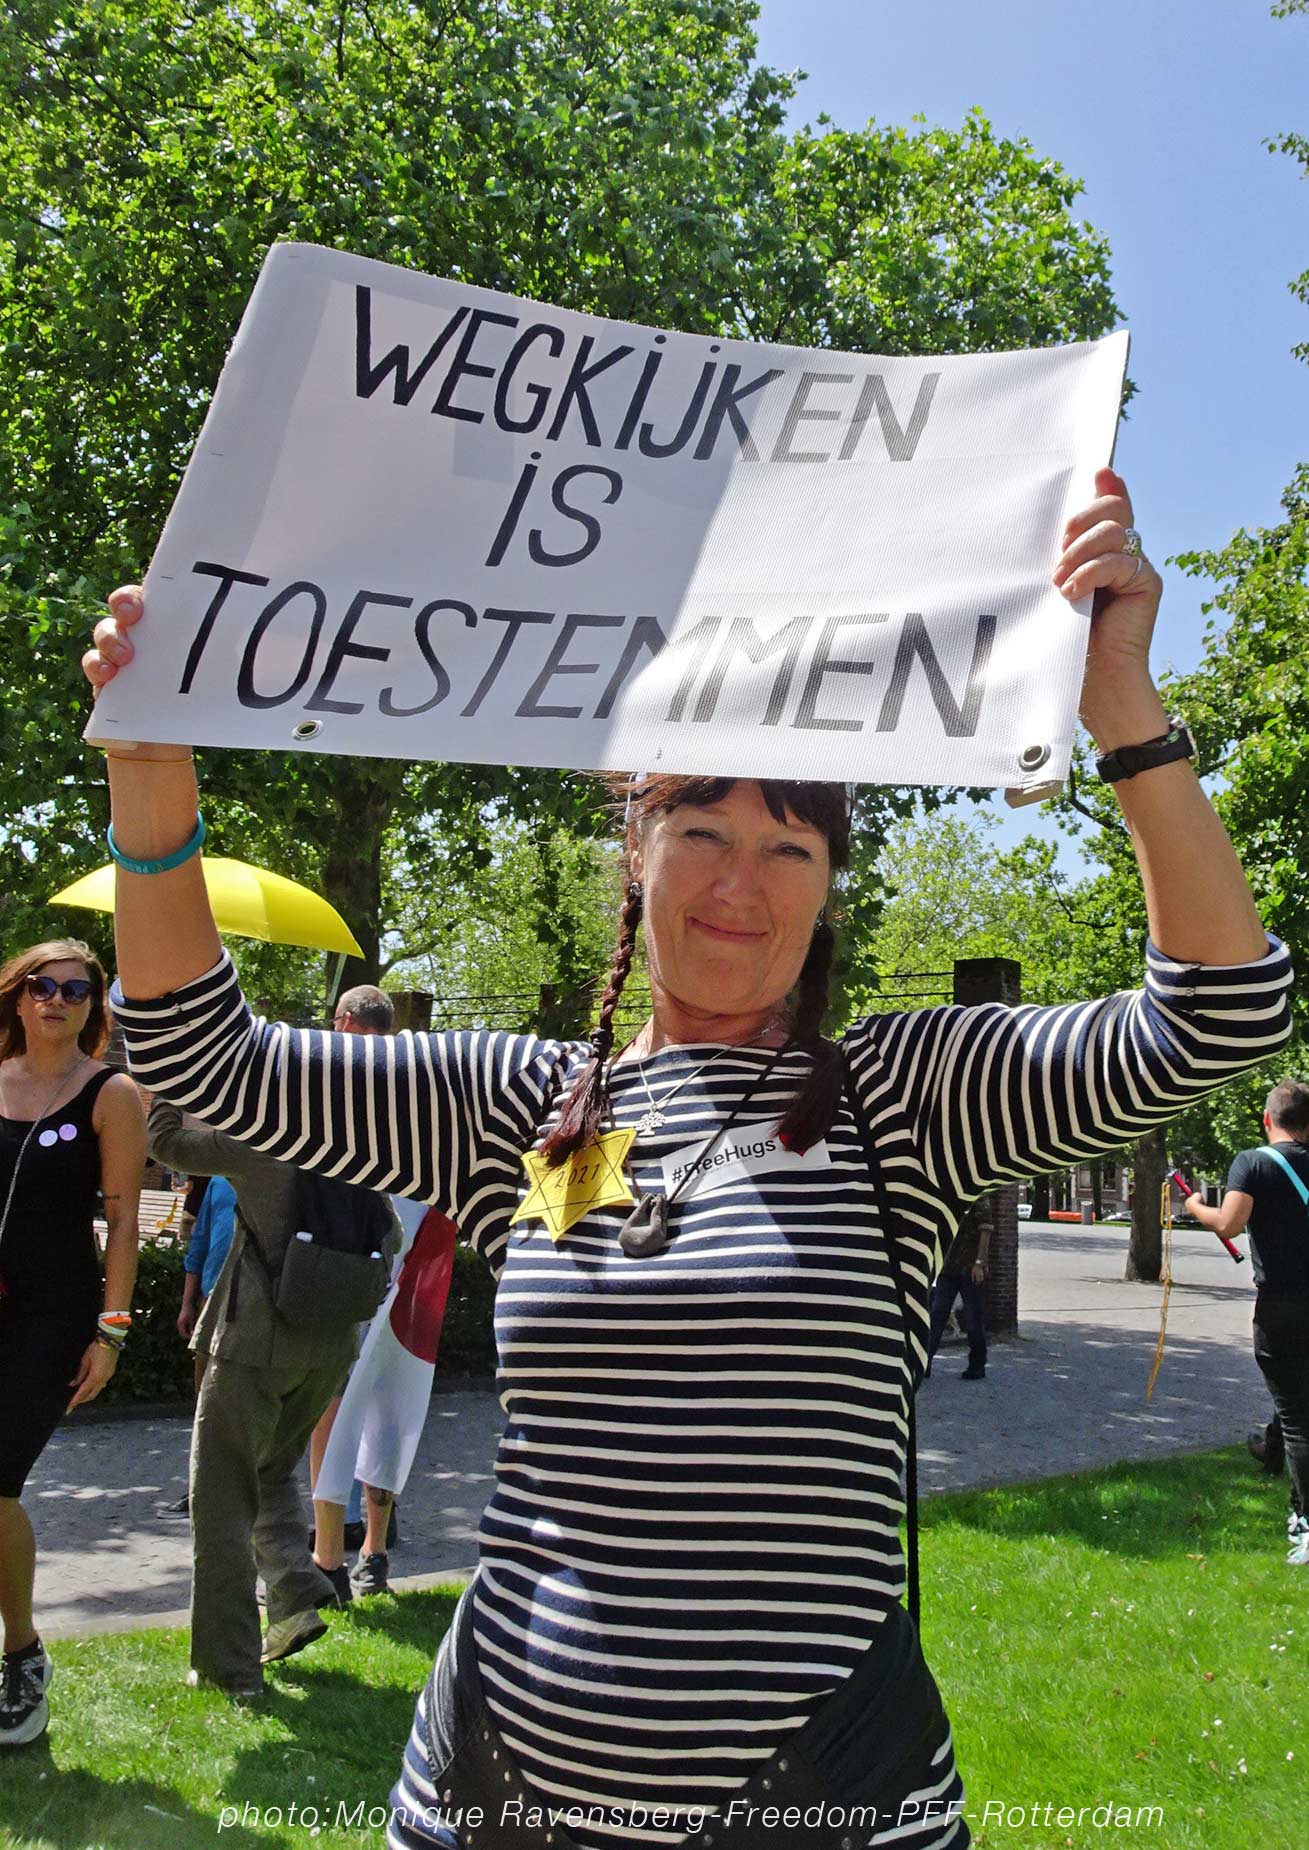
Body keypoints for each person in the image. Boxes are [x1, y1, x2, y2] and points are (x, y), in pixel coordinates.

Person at [86, 470, 1293, 1848]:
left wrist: (1122, 707)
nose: (739, 883)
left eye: (789, 845)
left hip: (823, 1798)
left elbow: (1221, 1012)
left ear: (829, 884)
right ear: (635, 851)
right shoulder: (517, 1104)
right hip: (492, 1790)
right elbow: (199, 1058)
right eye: (703, 831)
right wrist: (150, 771)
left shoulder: (905, 1097)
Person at [147, 1097, 397, 1694]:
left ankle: (228, 1667)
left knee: (220, 1501)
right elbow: (391, 1236)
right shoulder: (360, 1150)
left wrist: (165, 1092)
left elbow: (166, 1147)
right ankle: (295, 1596)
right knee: (270, 1472)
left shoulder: (262, 1142)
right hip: (329, 1348)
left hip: (255, 1346)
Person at [0, 940, 145, 1748]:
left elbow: (123, 1222)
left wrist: (111, 1332)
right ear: (18, 997)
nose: (56, 999)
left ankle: (22, 1654)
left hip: (52, 1320)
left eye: (76, 990)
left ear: (93, 1008)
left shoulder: (111, 1093)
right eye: (42, 986)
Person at [308, 982, 408, 1597]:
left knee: (349, 1406)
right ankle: (356, 1552)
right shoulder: (412, 1089)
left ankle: (347, 1554)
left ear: (343, 1023)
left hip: (363, 1271)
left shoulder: (325, 1089)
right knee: (362, 1407)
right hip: (372, 1271)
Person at [1185, 1080, 1309, 1566]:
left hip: (1282, 1306)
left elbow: (1229, 1223)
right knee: (1298, 1404)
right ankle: (1273, 1457)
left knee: (1298, 1419)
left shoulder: (1253, 1163)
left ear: (1267, 1119)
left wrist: (1195, 1205)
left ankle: (1305, 1523)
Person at [179, 1166, 237, 1395]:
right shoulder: (219, 1178)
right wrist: (187, 1304)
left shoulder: (280, 1175)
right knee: (204, 1391)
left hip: (256, 1301)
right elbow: (199, 1243)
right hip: (211, 1298)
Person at [926, 1195, 993, 1381]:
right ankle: (924, 1362)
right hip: (947, 1266)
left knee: (973, 1318)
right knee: (937, 1313)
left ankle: (977, 1365)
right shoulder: (947, 1195)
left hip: (970, 1267)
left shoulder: (978, 1195)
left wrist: (979, 1263)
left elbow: (986, 1229)